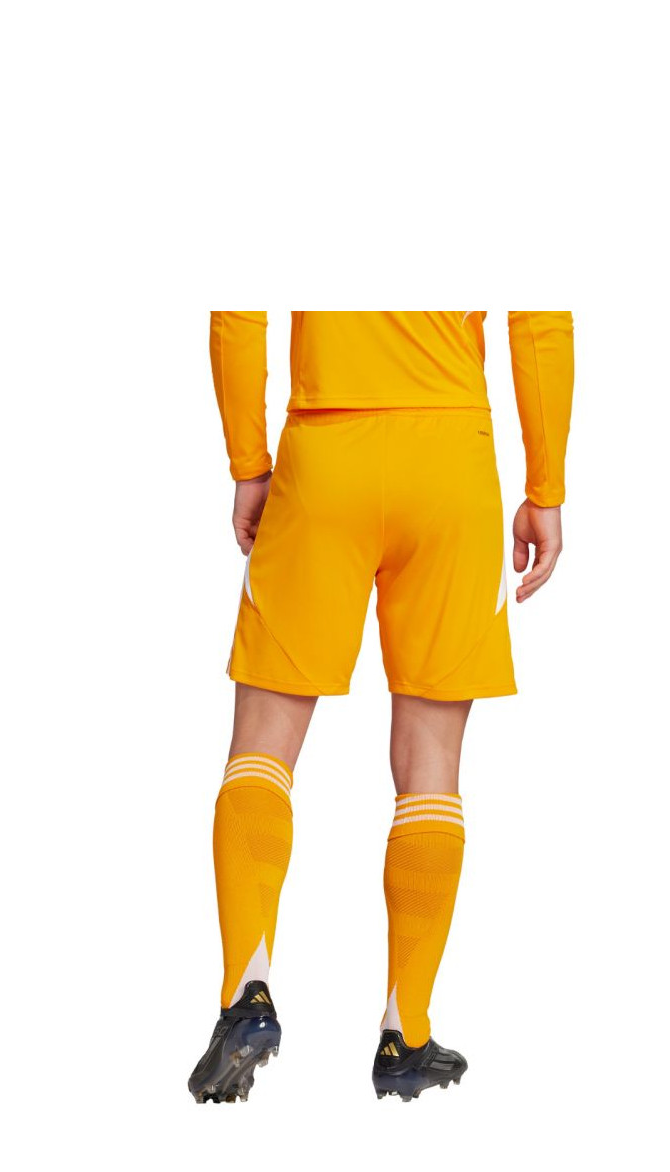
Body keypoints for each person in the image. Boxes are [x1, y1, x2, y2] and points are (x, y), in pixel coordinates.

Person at [188, 311, 575, 1103]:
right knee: (431, 764)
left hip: (325, 452)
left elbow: (237, 314)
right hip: (450, 459)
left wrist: (248, 463)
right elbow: (540, 323)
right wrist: (546, 487)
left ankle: (246, 995)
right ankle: (407, 1032)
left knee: (263, 745)